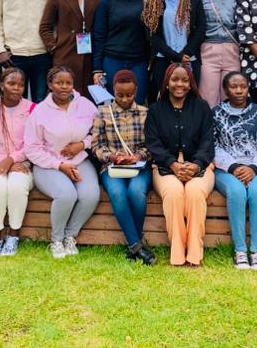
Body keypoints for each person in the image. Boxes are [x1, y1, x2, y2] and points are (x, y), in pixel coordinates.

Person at [25, 66, 100, 258]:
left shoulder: (85, 105)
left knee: (90, 195)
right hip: (48, 164)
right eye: (59, 83)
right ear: (50, 84)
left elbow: (100, 131)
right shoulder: (40, 111)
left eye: (68, 83)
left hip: (79, 161)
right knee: (66, 195)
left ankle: (70, 236)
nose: (64, 87)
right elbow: (31, 148)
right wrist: (59, 165)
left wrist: (83, 144)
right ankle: (56, 240)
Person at [146, 63, 215, 267]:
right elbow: (153, 144)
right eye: (175, 79)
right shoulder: (156, 110)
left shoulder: (201, 107)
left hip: (199, 166)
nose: (180, 84)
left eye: (185, 80)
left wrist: (196, 164)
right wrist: (173, 164)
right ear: (166, 83)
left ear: (191, 83)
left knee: (194, 193)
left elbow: (208, 141)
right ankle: (177, 253)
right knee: (174, 193)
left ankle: (194, 254)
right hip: (165, 167)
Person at [213, 72, 257, 270]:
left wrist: (253, 168)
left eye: (242, 86)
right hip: (227, 168)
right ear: (225, 89)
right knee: (237, 192)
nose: (239, 90)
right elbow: (212, 146)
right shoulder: (216, 114)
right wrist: (234, 167)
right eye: (233, 86)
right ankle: (240, 251)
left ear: (248, 88)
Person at [90, 70, 156, 265]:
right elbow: (96, 146)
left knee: (136, 192)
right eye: (120, 95)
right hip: (112, 167)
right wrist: (113, 156)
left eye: (130, 94)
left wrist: (139, 155)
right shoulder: (103, 112)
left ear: (136, 91)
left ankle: (133, 246)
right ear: (113, 91)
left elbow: (153, 144)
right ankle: (137, 245)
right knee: (118, 194)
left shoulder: (146, 112)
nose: (125, 99)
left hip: (140, 167)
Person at [0, 66, 36, 258]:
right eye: (11, 83)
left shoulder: (31, 109)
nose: (16, 88)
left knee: (17, 187)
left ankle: (13, 235)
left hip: (22, 162)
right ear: (2, 85)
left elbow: (33, 143)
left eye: (20, 85)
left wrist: (12, 160)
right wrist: (4, 162)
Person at [141, 0, 206, 103]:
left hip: (190, 59)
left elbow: (201, 28)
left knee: (189, 99)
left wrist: (186, 53)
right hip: (162, 59)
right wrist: (175, 56)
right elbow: (151, 34)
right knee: (163, 100)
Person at [39, 0, 103, 100]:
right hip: (65, 55)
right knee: (63, 97)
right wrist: (54, 47)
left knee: (87, 100)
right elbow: (45, 27)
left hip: (90, 56)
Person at [91, 0, 150, 103]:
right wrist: (97, 68)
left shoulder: (145, 1)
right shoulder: (107, 2)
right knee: (115, 103)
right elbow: (99, 35)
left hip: (139, 61)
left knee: (138, 102)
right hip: (112, 60)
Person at [195, 0, 244, 107]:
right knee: (207, 98)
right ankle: (208, 131)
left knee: (231, 96)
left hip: (233, 49)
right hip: (208, 49)